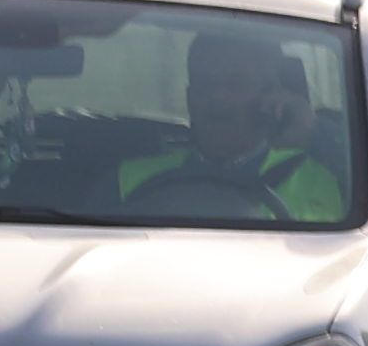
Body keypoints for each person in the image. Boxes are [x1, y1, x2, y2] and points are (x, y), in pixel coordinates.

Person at [117, 30, 345, 222]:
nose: (217, 97)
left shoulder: (328, 178)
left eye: (237, 84)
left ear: (272, 95)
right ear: (189, 97)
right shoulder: (130, 178)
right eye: (205, 83)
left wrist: (314, 132)